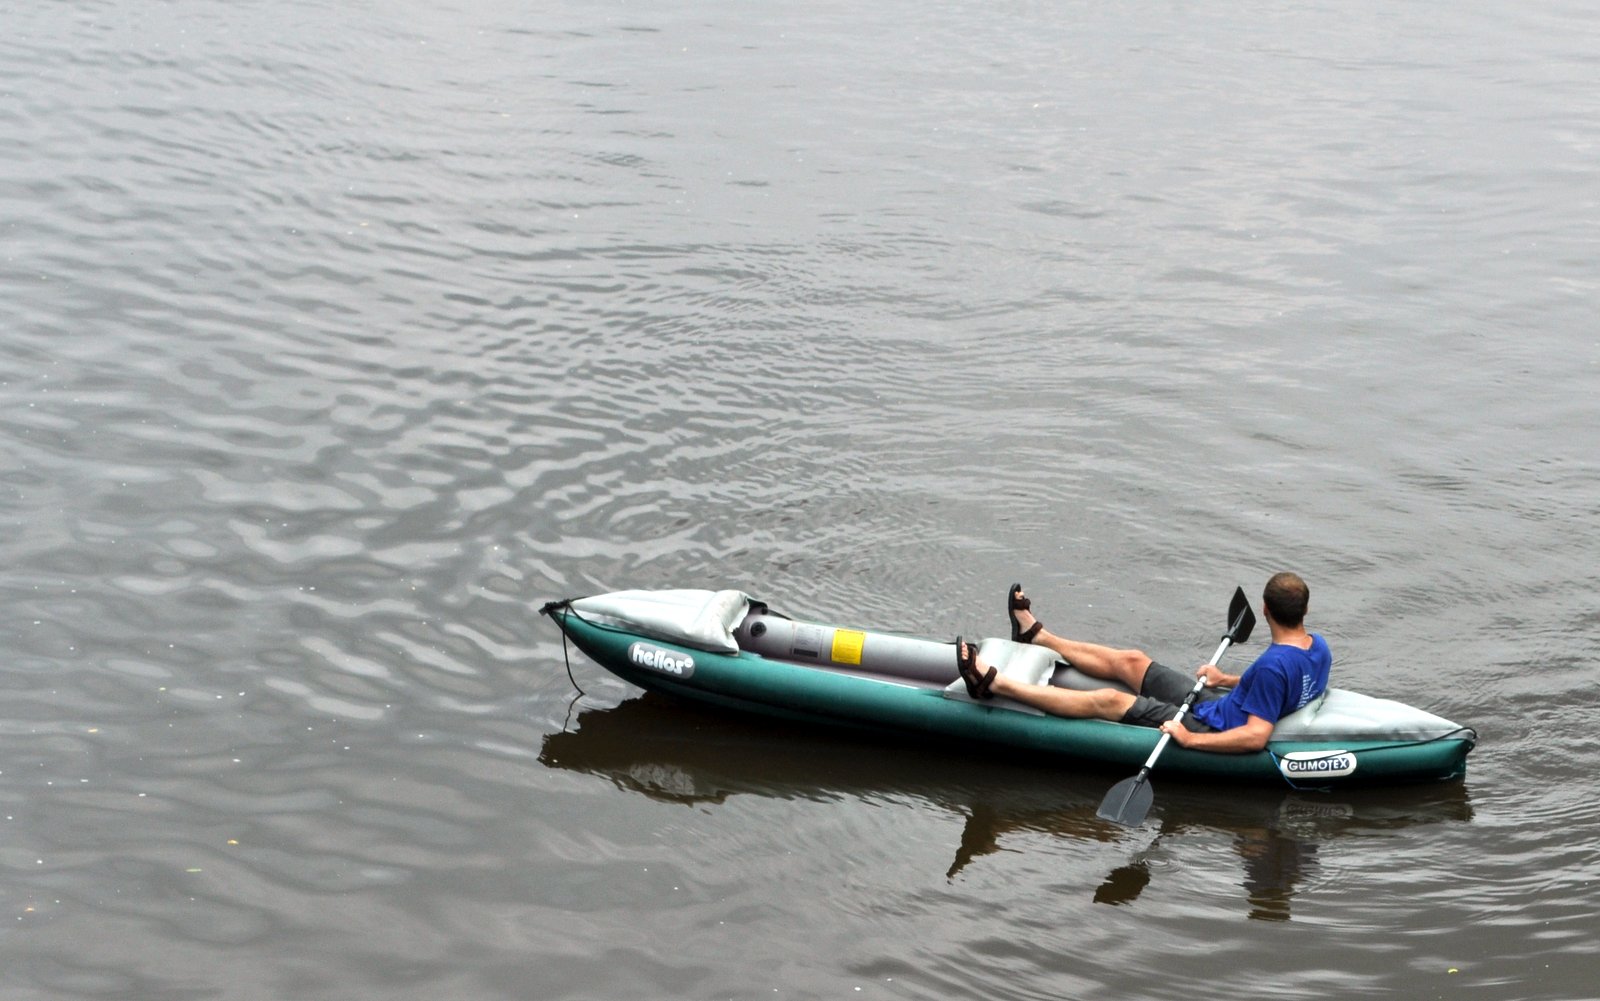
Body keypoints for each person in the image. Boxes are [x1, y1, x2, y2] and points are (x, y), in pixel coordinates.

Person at [955, 573, 1330, 753]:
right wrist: (1226, 679)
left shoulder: (1272, 667)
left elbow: (1255, 736)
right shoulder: (1318, 648)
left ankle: (993, 684)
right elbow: (1279, 685)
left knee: (1111, 701)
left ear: (1264, 610)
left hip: (1210, 724)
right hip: (1219, 703)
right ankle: (1037, 637)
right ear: (1305, 610)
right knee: (1134, 661)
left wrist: (1190, 738)